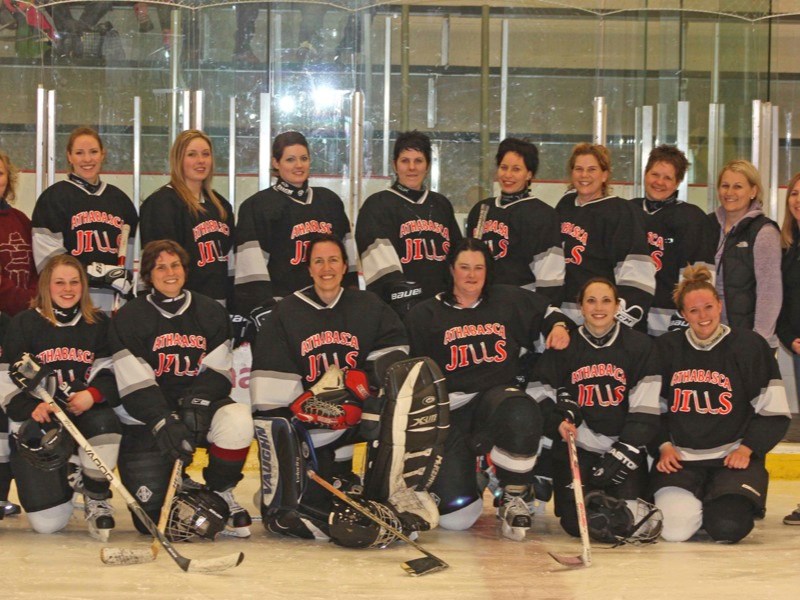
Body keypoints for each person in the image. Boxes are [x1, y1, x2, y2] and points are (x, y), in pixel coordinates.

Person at [404, 238, 571, 541]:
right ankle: (478, 473)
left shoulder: (505, 300)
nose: (472, 275)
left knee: (522, 409)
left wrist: (558, 328)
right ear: (451, 270)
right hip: (451, 411)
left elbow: (548, 312)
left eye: (479, 268)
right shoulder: (425, 314)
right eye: (464, 267)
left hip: (495, 401)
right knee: (457, 518)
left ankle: (514, 491)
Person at [250, 234, 413, 541]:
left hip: (358, 411)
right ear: (309, 268)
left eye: (334, 260)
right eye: (319, 261)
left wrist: (367, 384)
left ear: (345, 265)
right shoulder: (286, 311)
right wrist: (308, 409)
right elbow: (270, 389)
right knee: (312, 509)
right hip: (312, 424)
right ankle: (295, 488)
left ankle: (385, 492)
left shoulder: (367, 304)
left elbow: (395, 348)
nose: (327, 268)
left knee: (390, 417)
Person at [109, 239, 253, 538]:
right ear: (148, 275)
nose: (169, 272)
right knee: (149, 522)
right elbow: (133, 380)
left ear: (185, 270)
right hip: (148, 415)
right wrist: (164, 419)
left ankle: (220, 491)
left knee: (238, 418)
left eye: (175, 265)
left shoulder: (210, 311)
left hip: (196, 406)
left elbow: (218, 369)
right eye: (160, 267)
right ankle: (178, 483)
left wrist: (196, 401)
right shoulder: (130, 317)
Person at [652, 264, 790, 543]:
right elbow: (649, 408)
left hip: (732, 459)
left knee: (728, 527)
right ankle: (699, 501)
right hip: (682, 461)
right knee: (674, 531)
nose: (703, 316)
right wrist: (663, 446)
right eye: (693, 310)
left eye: (708, 307)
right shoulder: (666, 348)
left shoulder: (749, 346)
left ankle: (721, 503)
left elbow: (774, 411)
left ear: (719, 304)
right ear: (683, 314)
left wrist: (748, 448)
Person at [529, 278, 662, 543]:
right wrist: (557, 422)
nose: (598, 308)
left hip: (622, 448)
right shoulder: (566, 345)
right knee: (576, 524)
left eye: (606, 301)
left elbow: (646, 405)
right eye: (591, 301)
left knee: (627, 520)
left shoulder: (639, 346)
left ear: (617, 306)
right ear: (580, 306)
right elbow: (537, 390)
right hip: (579, 447)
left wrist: (626, 450)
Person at [0, 255, 121, 540]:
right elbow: (6, 379)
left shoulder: (98, 323)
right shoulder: (24, 324)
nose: (68, 289)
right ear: (46, 286)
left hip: (85, 413)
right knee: (48, 524)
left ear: (83, 286)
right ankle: (70, 470)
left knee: (106, 425)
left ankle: (96, 493)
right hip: (43, 420)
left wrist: (92, 394)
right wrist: (32, 406)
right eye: (59, 283)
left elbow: (112, 370)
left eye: (74, 282)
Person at [234, 131, 357, 324]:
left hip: (329, 306)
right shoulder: (257, 206)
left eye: (304, 158)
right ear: (276, 163)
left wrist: (350, 299)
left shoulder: (330, 201)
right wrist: (265, 310)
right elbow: (251, 271)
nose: (299, 165)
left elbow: (347, 263)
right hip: (284, 311)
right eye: (290, 159)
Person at [31, 127, 138, 314]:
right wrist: (100, 274)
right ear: (69, 157)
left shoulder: (121, 201)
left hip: (111, 304)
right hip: (68, 302)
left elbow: (130, 260)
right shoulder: (53, 198)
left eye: (93, 152)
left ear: (103, 155)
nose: (87, 159)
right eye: (79, 153)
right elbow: (48, 263)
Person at [356, 130, 463, 316]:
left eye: (418, 161)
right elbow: (379, 266)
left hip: (442, 309)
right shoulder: (377, 205)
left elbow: (457, 255)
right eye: (405, 161)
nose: (412, 167)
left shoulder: (441, 204)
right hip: (398, 312)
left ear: (428, 165)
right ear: (394, 165)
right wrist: (403, 302)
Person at [556, 143, 655, 332]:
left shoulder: (621, 212)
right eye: (579, 169)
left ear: (604, 175)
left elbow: (637, 273)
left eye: (592, 169)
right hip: (567, 315)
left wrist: (614, 319)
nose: (584, 175)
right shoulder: (565, 205)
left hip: (601, 316)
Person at [140, 130, 235, 309]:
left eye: (205, 154)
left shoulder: (221, 206)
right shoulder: (162, 204)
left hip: (217, 304)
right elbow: (158, 265)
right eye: (192, 154)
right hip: (180, 306)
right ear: (178, 160)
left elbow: (228, 261)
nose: (201, 160)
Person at [466, 137, 564, 305]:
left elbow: (550, 277)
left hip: (521, 304)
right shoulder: (481, 209)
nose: (508, 175)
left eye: (516, 169)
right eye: (504, 167)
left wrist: (546, 315)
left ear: (529, 174)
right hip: (481, 304)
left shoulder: (543, 215)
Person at [631, 145, 715, 336]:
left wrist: (684, 319)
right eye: (655, 174)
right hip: (630, 321)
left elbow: (701, 276)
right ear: (645, 174)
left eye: (667, 178)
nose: (659, 182)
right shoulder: (627, 212)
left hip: (669, 324)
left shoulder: (692, 218)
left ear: (677, 183)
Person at [710, 159, 781, 349]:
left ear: (753, 191)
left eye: (738, 186)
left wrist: (758, 340)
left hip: (748, 339)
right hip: (711, 335)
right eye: (725, 186)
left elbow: (770, 293)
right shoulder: (708, 225)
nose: (729, 193)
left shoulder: (764, 232)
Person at [777, 173, 800, 526]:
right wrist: (789, 336)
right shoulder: (791, 246)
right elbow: (783, 301)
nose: (798, 199)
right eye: (794, 193)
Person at [0, 150, 38, 316]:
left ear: (8, 179)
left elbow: (38, 267)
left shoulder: (21, 220)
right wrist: (25, 300)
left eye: (0, 173)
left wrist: (34, 297)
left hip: (23, 319)